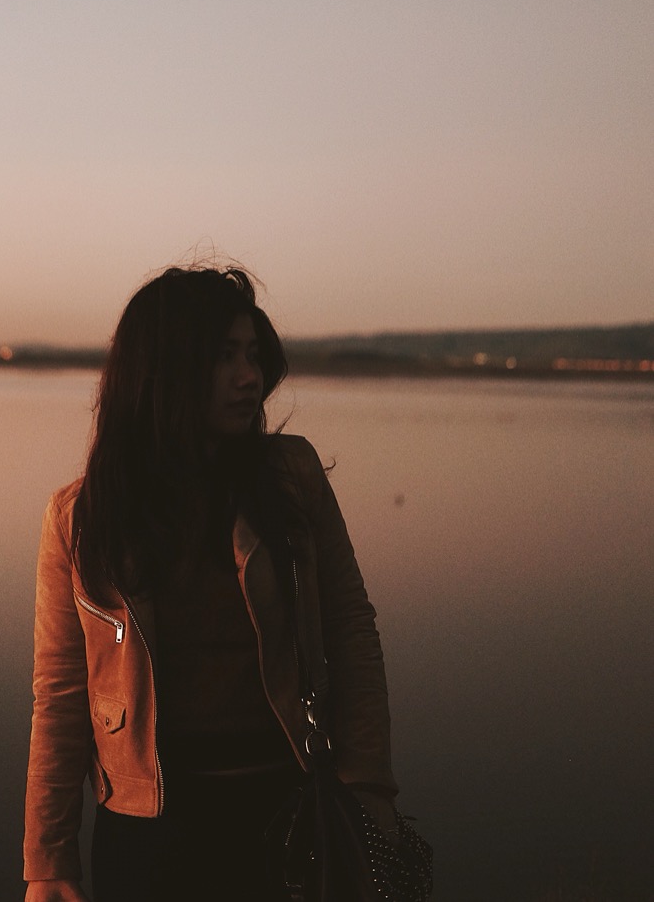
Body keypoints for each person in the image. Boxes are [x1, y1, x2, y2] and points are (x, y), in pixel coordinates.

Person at [23, 265, 399, 902]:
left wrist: (367, 787)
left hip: (287, 805)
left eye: (252, 355)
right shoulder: (81, 517)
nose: (249, 376)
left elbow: (351, 631)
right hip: (147, 830)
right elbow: (60, 693)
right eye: (224, 357)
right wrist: (48, 860)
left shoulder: (291, 477)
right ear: (163, 370)